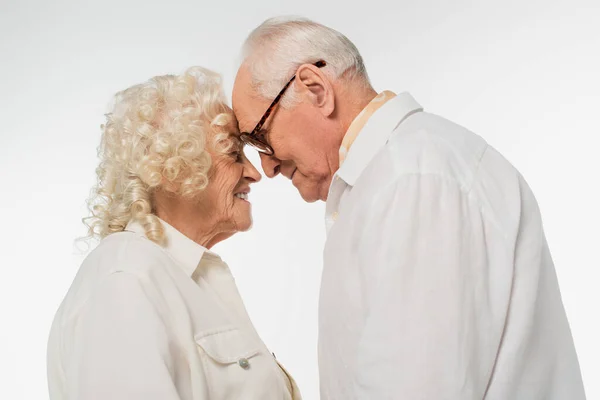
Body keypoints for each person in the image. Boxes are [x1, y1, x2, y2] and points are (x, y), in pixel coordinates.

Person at [232, 16, 586, 399]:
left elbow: (416, 388)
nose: (266, 166)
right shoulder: (396, 174)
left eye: (260, 137)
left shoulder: (413, 178)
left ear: (315, 89)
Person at [47, 66, 301, 400]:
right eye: (233, 153)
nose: (255, 173)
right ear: (172, 169)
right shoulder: (126, 279)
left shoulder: (179, 277)